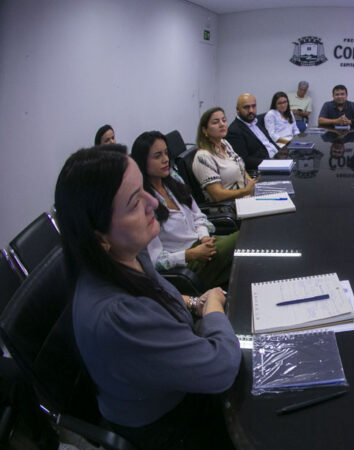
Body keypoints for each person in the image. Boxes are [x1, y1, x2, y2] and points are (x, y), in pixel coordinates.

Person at [54, 147, 240, 449]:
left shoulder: (128, 255)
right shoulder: (118, 315)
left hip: (180, 380)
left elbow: (161, 298)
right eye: (134, 203)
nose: (153, 202)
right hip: (174, 426)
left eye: (143, 188)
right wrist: (213, 309)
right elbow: (222, 368)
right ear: (99, 237)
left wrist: (196, 303)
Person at [131, 131, 238, 288]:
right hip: (188, 264)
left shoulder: (173, 179)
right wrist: (191, 254)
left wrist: (204, 237)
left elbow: (198, 216)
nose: (165, 159)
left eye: (166, 153)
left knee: (248, 258)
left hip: (203, 244)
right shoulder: (145, 203)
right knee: (246, 238)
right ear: (142, 162)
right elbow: (154, 260)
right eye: (157, 156)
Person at [192, 107, 257, 202]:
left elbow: (239, 167)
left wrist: (251, 182)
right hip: (231, 206)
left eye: (224, 120)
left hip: (245, 197)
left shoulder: (224, 143)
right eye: (215, 122)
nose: (222, 124)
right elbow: (217, 195)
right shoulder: (203, 157)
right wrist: (245, 191)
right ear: (204, 130)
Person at [225, 93, 281, 170]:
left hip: (277, 159)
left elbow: (269, 142)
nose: (251, 110)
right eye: (246, 107)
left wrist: (281, 152)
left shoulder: (257, 122)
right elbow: (244, 160)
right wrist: (271, 163)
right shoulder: (234, 131)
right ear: (237, 109)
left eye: (253, 106)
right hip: (263, 168)